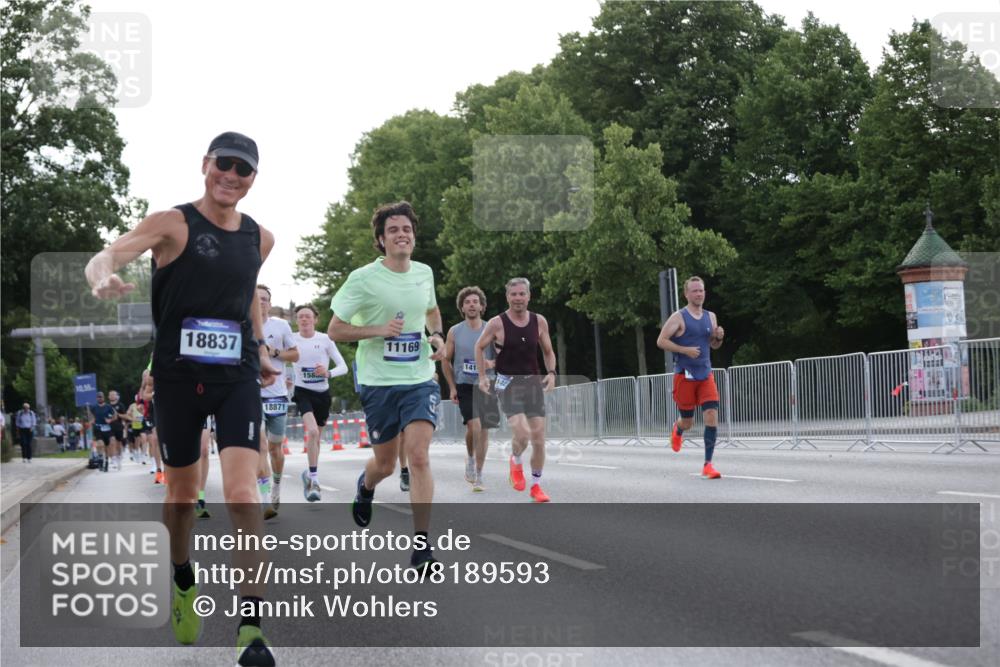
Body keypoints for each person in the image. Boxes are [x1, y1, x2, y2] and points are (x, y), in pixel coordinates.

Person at [86, 130, 279, 665]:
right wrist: (103, 278)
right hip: (176, 379)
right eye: (225, 164)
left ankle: (251, 629)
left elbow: (247, 301)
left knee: (243, 496)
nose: (232, 176)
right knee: (180, 498)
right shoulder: (172, 223)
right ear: (205, 164)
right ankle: (181, 576)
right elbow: (107, 256)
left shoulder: (260, 238)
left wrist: (259, 348)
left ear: (252, 179)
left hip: (236, 376)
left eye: (243, 169)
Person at [328, 201, 446, 572]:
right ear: (381, 240)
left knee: (419, 455)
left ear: (413, 236)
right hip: (379, 381)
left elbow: (430, 310)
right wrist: (377, 330)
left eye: (407, 229)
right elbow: (335, 329)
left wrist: (438, 336)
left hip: (418, 379)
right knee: (385, 464)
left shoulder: (424, 273)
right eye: (393, 230)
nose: (401, 235)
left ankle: (423, 546)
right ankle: (366, 486)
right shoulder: (363, 279)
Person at [476, 278, 557, 503]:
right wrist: (483, 377)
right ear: (507, 297)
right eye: (514, 295)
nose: (518, 298)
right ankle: (516, 460)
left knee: (539, 438)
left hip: (532, 383)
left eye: (522, 294)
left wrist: (551, 373)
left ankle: (536, 486)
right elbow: (479, 347)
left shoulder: (539, 321)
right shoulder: (496, 323)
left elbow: (548, 350)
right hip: (508, 383)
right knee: (522, 434)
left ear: (529, 296)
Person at [656, 276, 724, 479]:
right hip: (684, 375)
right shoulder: (679, 317)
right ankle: (678, 429)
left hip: (705, 374)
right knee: (688, 422)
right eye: (694, 291)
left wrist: (718, 337)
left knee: (711, 414)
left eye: (701, 290)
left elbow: (713, 345)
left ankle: (708, 464)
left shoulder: (711, 317)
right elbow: (661, 341)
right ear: (686, 294)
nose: (699, 294)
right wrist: (684, 350)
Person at [443, 286, 500, 492]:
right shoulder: (455, 331)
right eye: (467, 302)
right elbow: (445, 360)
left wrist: (492, 364)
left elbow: (503, 355)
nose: (472, 304)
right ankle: (469, 457)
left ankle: (479, 473)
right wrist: (451, 387)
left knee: (484, 430)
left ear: (482, 306)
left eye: (475, 301)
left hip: (487, 383)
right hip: (465, 384)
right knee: (473, 427)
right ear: (462, 307)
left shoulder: (492, 329)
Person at [292, 303, 348, 502]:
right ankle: (314, 481)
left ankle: (309, 473)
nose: (304, 319)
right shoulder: (291, 339)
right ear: (296, 320)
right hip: (302, 392)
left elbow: (343, 367)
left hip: (322, 394)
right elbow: (281, 361)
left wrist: (328, 372)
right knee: (313, 432)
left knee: (316, 439)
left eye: (308, 316)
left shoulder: (325, 339)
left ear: (315, 319)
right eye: (300, 317)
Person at [257, 284, 299, 519]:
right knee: (261, 446)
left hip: (278, 393)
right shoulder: (244, 325)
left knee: (275, 447)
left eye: (265, 299)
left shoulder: (280, 326)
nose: (261, 302)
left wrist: (273, 353)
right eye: (257, 299)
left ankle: (276, 487)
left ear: (270, 304)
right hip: (252, 393)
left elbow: (295, 355)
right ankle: (264, 502)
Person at [91, 392, 115, 472]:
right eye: (98, 397)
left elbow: (115, 415)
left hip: (107, 428)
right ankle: (100, 459)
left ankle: (107, 461)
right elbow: (91, 415)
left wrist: (110, 420)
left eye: (101, 397)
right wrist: (92, 420)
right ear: (96, 398)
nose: (99, 398)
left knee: (107, 446)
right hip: (98, 427)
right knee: (100, 444)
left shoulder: (108, 407)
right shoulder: (94, 407)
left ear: (104, 398)